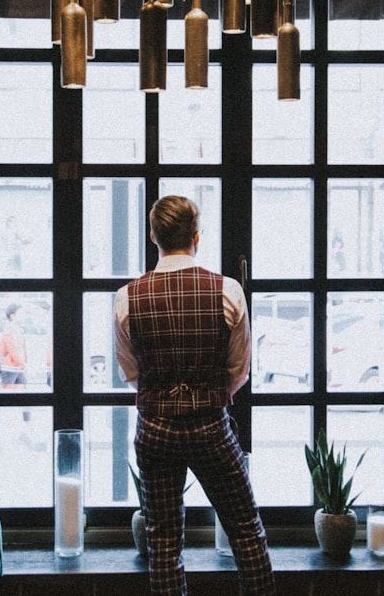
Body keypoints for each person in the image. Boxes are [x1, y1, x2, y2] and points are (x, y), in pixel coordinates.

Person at [113, 195, 275, 596]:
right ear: (197, 237)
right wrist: (206, 395)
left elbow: (130, 372)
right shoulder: (228, 291)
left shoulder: (127, 298)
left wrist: (162, 393)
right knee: (246, 531)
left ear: (154, 237)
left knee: (164, 544)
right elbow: (240, 371)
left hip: (155, 429)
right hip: (210, 427)